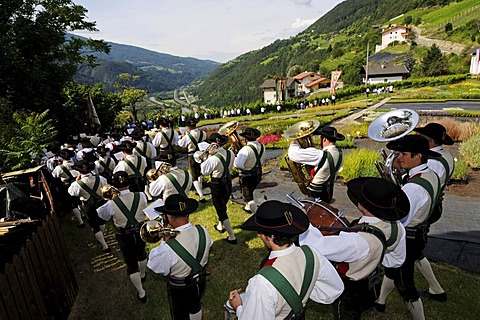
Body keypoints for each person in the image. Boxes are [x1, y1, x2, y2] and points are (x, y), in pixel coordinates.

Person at [300, 177, 409, 320]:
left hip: (350, 290)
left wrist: (304, 222)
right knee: (363, 307)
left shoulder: (356, 242)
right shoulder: (397, 227)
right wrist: (373, 259)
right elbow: (395, 261)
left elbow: (316, 246)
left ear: (364, 206)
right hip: (372, 283)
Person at [227, 200, 344, 319]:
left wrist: (239, 307)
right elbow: (334, 289)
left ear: (271, 236)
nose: (258, 235)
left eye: (260, 232)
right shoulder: (311, 254)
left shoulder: (262, 283)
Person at [375, 135, 442, 319]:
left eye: (403, 154)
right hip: (420, 234)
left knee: (405, 285)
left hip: (409, 239)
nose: (399, 158)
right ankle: (380, 302)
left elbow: (399, 219)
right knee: (392, 271)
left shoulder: (413, 188)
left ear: (418, 155)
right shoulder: (431, 174)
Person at [147, 194, 212, 320]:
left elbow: (155, 266)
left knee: (179, 313)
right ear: (187, 213)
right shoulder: (202, 230)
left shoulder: (168, 248)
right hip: (200, 278)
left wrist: (165, 241)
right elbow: (209, 244)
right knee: (195, 305)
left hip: (181, 287)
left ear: (169, 216)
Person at [412, 123, 454, 302]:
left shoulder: (435, 161)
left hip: (426, 208)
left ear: (429, 140)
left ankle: (436, 289)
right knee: (414, 251)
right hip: (434, 205)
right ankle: (435, 288)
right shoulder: (446, 156)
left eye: (422, 137)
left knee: (413, 249)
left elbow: (426, 186)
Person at [97, 171, 148, 304]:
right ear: (128, 183)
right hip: (141, 231)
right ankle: (143, 274)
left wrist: (111, 200)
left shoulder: (110, 204)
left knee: (131, 263)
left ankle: (141, 293)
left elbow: (102, 216)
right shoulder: (141, 195)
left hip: (124, 235)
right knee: (142, 253)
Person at [288, 125, 344, 203]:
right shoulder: (340, 153)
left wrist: (294, 142)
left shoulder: (320, 155)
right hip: (328, 192)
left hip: (315, 193)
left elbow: (293, 154)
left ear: (324, 139)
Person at [199, 133, 236, 244]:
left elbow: (204, 172)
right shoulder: (230, 153)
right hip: (228, 182)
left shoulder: (213, 159)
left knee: (220, 209)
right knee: (223, 205)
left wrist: (207, 158)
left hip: (217, 183)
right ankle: (220, 226)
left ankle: (232, 236)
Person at [68, 160, 110, 253]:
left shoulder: (76, 184)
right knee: (102, 221)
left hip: (88, 205)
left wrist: (76, 180)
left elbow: (72, 193)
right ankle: (102, 235)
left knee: (94, 225)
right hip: (101, 202)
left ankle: (104, 246)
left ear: (79, 171)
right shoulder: (100, 178)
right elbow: (106, 186)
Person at [234, 128, 265, 213]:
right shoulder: (262, 146)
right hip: (258, 172)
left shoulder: (245, 150)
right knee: (253, 191)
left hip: (247, 175)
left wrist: (236, 157)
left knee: (248, 197)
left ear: (245, 139)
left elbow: (238, 165)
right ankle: (247, 208)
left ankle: (258, 213)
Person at [177, 119, 207, 203]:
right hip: (201, 154)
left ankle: (201, 196)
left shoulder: (188, 136)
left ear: (188, 127)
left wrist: (182, 136)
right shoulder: (203, 133)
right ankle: (200, 190)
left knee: (194, 175)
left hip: (192, 155)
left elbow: (181, 144)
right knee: (199, 173)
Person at [52, 148, 84, 227]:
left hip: (66, 185)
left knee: (72, 204)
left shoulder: (59, 168)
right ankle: (83, 214)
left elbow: (54, 175)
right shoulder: (75, 164)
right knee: (79, 199)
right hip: (77, 182)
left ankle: (81, 222)